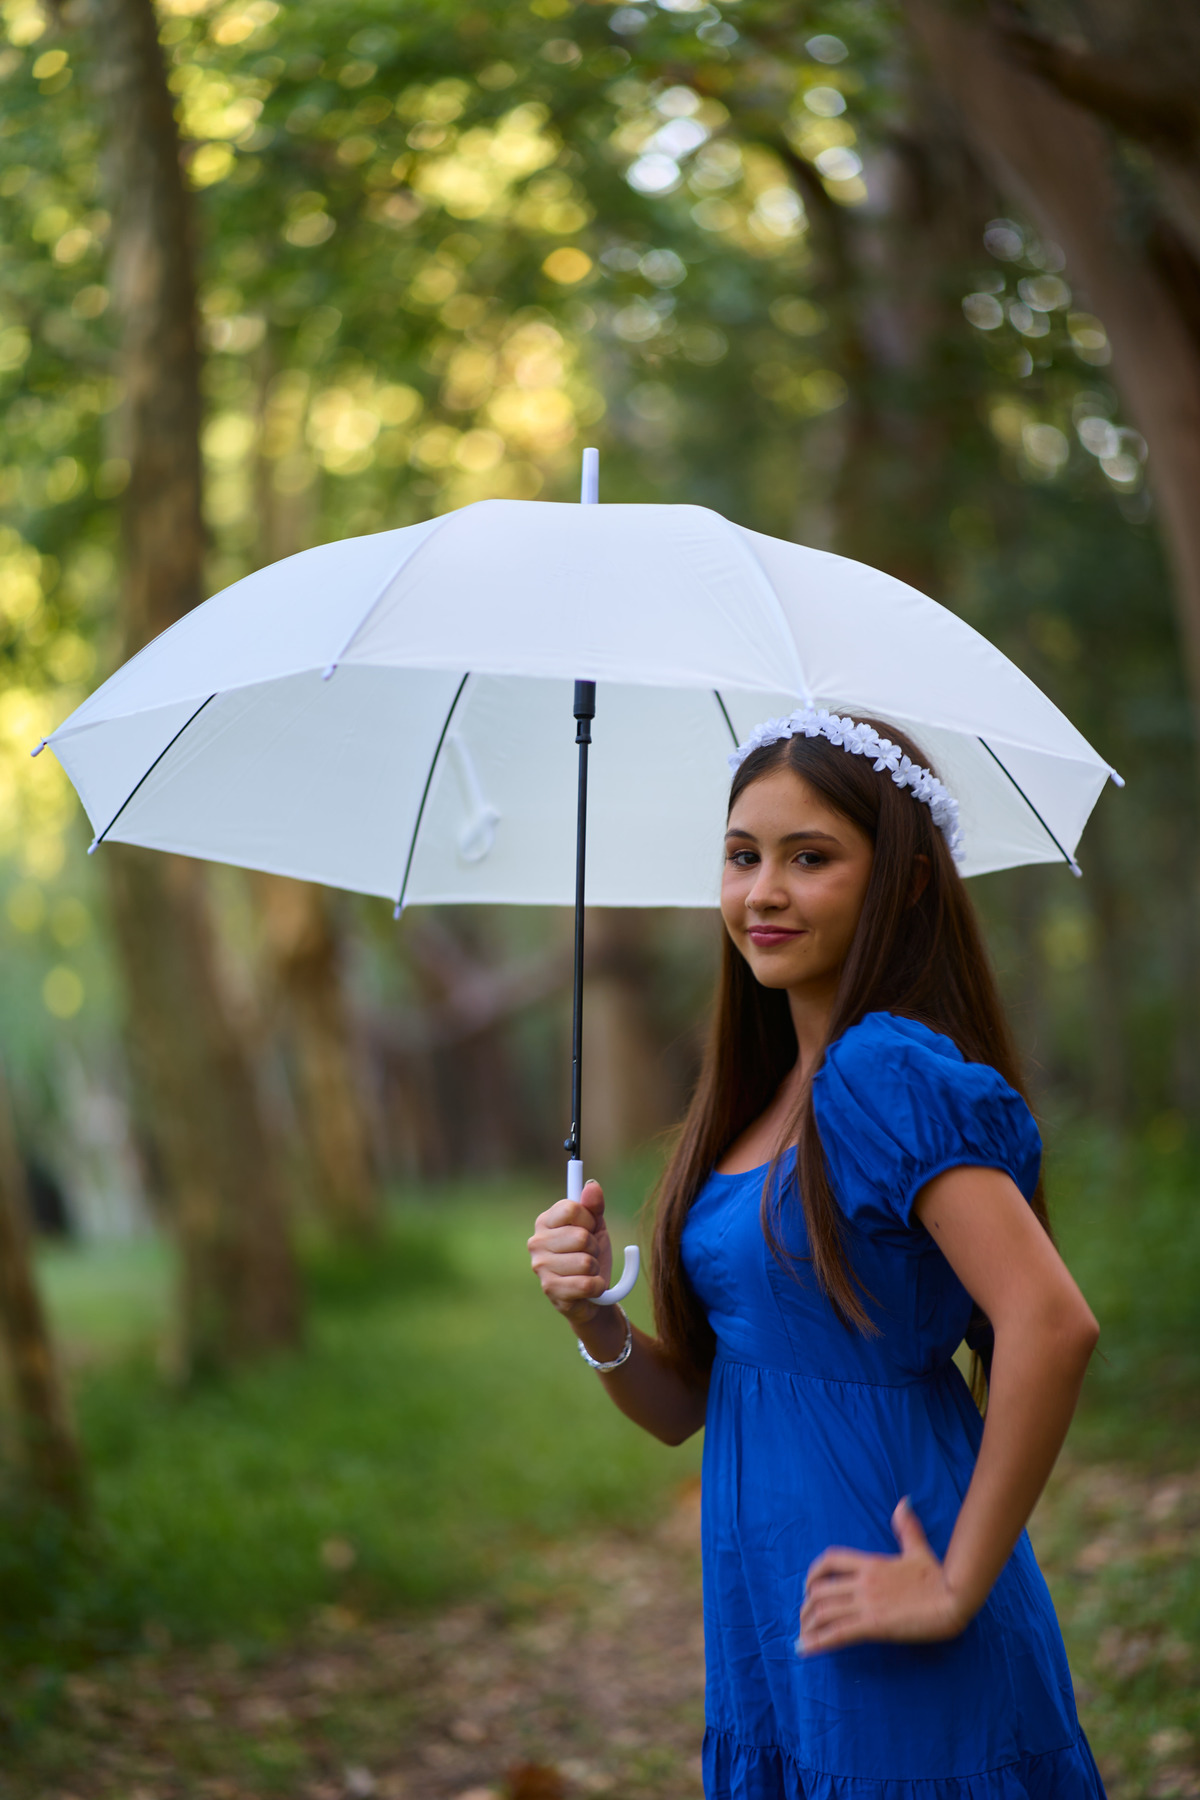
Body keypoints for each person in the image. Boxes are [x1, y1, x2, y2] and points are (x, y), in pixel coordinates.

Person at [527, 707, 1106, 1800]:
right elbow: (690, 1404)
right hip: (770, 1619)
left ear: (906, 883)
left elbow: (1050, 1322)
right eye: (743, 857)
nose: (764, 892)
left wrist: (953, 1584)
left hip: (890, 1587)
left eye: (811, 858)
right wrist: (596, 1319)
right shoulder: (755, 1100)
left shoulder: (884, 1073)